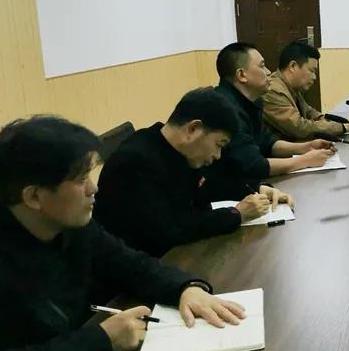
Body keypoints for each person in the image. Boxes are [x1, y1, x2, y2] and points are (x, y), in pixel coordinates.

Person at [0, 117, 246, 351]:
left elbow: (129, 263)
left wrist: (186, 287)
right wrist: (100, 341)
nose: (93, 189)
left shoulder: (72, 224)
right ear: (34, 196)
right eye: (81, 179)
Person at [95, 88, 293, 258]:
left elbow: (212, 183)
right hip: (138, 271)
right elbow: (171, 230)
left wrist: (258, 188)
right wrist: (237, 214)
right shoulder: (135, 162)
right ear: (193, 129)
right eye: (219, 144)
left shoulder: (177, 150)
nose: (217, 155)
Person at [207, 43, 336, 199]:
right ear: (241, 75)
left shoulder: (252, 102)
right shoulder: (225, 109)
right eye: (262, 66)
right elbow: (254, 166)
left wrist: (306, 147)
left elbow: (267, 143)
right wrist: (304, 161)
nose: (268, 72)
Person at [263, 41, 346, 141]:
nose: (314, 77)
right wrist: (342, 127)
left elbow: (310, 113)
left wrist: (327, 121)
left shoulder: (293, 88)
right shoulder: (273, 90)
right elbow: (299, 128)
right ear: (293, 66)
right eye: (311, 71)